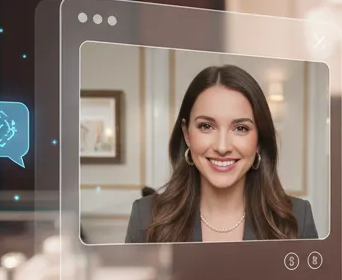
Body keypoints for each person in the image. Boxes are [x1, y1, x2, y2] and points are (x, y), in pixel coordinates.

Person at [125, 64, 317, 243]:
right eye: (206, 126)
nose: (222, 147)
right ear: (187, 134)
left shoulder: (298, 219)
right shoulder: (146, 217)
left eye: (240, 128)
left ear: (259, 139)